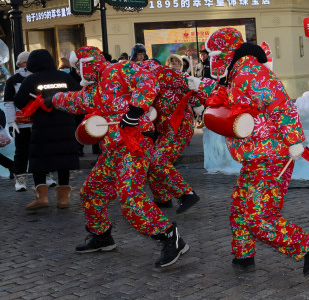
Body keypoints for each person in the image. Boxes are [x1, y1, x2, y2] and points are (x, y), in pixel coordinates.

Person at [46, 46, 190, 268]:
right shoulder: (93, 90)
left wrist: (135, 111)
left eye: (78, 66)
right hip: (113, 149)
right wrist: (52, 100)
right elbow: (75, 101)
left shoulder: (118, 69)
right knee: (91, 191)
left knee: (130, 197)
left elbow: (147, 79)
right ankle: (102, 236)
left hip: (135, 145)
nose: (77, 71)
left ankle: (170, 236)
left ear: (88, 63)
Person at [204, 27, 309, 275]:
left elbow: (280, 103)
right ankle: (243, 254)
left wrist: (294, 139)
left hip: (272, 154)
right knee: (239, 206)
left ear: (225, 53)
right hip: (255, 155)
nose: (212, 60)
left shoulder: (249, 72)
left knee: (257, 215)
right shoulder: (236, 73)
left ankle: (307, 247)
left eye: (215, 55)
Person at [14, 49, 81, 210]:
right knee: (63, 160)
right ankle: (63, 199)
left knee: (38, 160)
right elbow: (78, 96)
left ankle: (41, 197)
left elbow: (19, 101)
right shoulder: (65, 77)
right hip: (66, 124)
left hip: (42, 125)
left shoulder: (32, 79)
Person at [139, 59, 202, 213]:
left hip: (179, 126)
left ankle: (186, 194)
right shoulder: (140, 82)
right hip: (165, 129)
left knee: (157, 160)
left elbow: (189, 84)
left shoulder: (159, 73)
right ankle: (162, 198)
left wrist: (198, 106)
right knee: (151, 160)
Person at [3, 51, 33, 191]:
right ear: (20, 64)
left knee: (40, 149)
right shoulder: (13, 80)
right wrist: (11, 122)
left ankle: (46, 175)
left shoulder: (36, 77)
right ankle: (20, 179)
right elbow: (8, 102)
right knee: (21, 151)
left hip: (37, 121)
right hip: (20, 122)